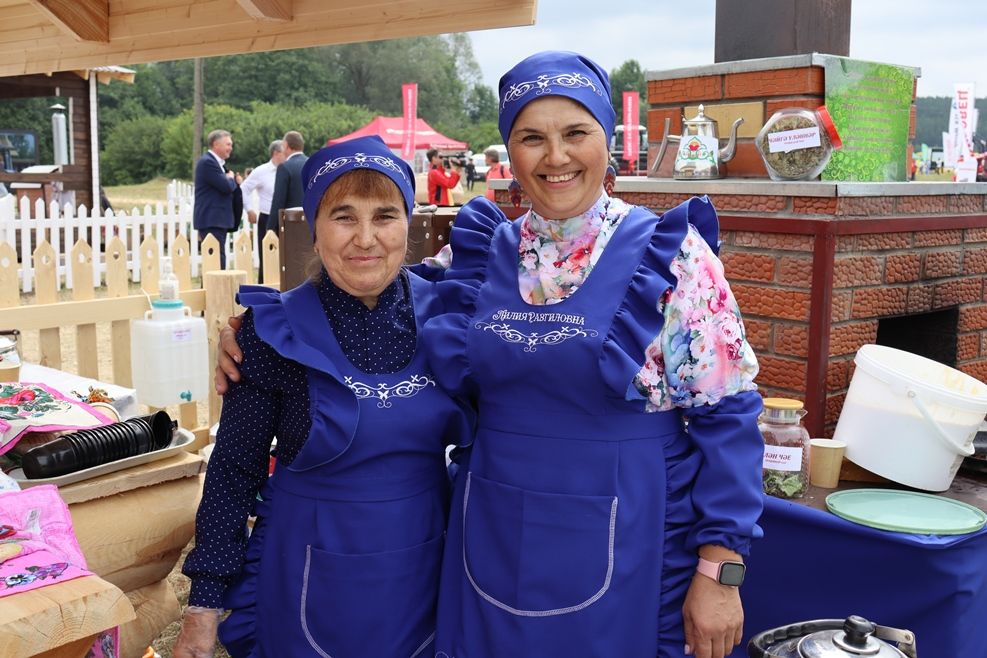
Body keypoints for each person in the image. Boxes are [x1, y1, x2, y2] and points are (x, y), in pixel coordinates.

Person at [216, 51, 764, 658]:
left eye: (575, 133)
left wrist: (722, 572)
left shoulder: (674, 258)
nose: (555, 157)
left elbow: (729, 419)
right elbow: (373, 284)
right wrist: (263, 326)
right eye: (532, 137)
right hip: (490, 542)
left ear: (607, 140)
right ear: (511, 153)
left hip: (629, 534)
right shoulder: (479, 256)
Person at [174, 136, 472, 658]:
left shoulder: (450, 314)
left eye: (385, 215)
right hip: (306, 579)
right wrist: (202, 609)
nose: (365, 238)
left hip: (427, 573)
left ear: (410, 222)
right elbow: (233, 472)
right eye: (343, 216)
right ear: (314, 228)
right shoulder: (270, 332)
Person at [239, 139, 286, 282]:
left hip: (285, 219)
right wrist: (249, 210)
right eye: (285, 152)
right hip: (267, 218)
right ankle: (264, 286)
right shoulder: (261, 171)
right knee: (266, 256)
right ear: (276, 153)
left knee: (285, 257)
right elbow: (244, 189)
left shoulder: (288, 170)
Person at [193, 129, 241, 269]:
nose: (230, 148)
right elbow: (225, 186)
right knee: (215, 261)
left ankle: (211, 289)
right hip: (212, 219)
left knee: (216, 260)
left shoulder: (217, 163)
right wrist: (232, 179)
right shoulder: (208, 162)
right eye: (228, 144)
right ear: (215, 144)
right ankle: (212, 290)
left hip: (217, 220)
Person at [268, 130, 307, 234]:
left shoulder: (285, 167)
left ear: (286, 145)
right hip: (312, 221)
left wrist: (271, 228)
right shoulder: (313, 164)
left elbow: (279, 200)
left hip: (292, 224)